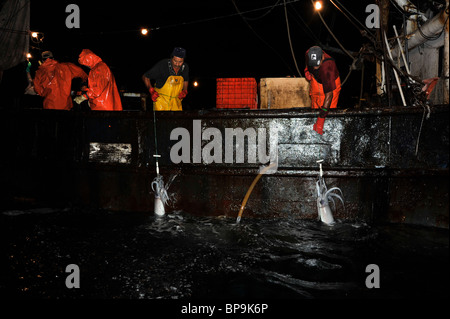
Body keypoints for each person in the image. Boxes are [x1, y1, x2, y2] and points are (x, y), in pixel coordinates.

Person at [304, 46, 341, 135]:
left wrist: (321, 119)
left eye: (317, 64)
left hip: (330, 85)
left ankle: (326, 132)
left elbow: (329, 95)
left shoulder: (328, 67)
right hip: (316, 80)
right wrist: (306, 70)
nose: (315, 68)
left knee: (329, 112)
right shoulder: (308, 53)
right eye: (313, 65)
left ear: (323, 57)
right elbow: (307, 63)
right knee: (314, 109)